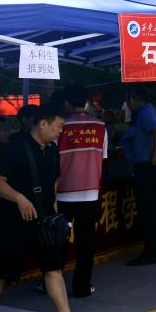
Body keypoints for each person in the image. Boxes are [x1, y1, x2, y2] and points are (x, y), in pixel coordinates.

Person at [0, 104, 99, 312]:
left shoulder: (52, 149)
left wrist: (55, 213)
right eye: (59, 126)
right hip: (14, 220)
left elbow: (53, 183)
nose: (61, 132)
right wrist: (19, 198)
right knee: (1, 273)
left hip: (45, 220)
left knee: (53, 268)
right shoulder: (15, 147)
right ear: (43, 124)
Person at [54, 85, 107, 296]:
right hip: (90, 192)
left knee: (59, 240)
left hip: (63, 191)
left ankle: (51, 283)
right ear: (86, 102)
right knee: (86, 241)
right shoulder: (100, 126)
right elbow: (103, 157)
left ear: (66, 103)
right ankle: (82, 286)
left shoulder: (60, 126)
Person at [126, 86, 156, 265]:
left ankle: (150, 252)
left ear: (133, 99)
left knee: (148, 210)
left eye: (129, 101)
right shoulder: (149, 111)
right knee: (155, 208)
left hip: (147, 166)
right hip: (151, 165)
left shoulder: (145, 112)